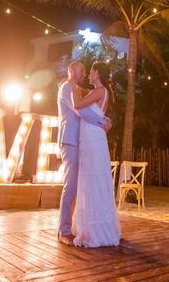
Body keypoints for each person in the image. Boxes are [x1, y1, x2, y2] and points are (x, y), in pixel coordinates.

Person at [57, 61, 113, 246]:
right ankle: (64, 231)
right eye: (82, 71)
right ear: (72, 71)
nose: (84, 74)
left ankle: (77, 227)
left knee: (81, 185)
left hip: (83, 141)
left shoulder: (77, 88)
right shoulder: (67, 88)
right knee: (71, 185)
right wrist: (102, 122)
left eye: (87, 71)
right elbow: (80, 111)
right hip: (70, 140)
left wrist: (105, 118)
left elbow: (92, 106)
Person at [69, 61, 121, 247]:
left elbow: (77, 104)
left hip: (93, 137)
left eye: (91, 70)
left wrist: (72, 83)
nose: (89, 74)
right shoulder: (99, 91)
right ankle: (93, 227)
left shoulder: (100, 91)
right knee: (92, 180)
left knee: (92, 181)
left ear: (97, 73)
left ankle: (94, 231)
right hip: (93, 136)